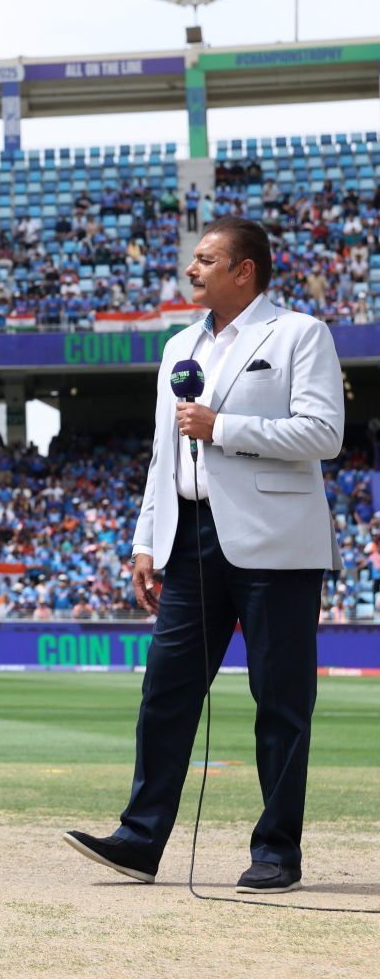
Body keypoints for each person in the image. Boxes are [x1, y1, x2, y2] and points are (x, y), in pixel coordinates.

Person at [64, 217, 344, 896]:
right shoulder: (178, 347)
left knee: (280, 701)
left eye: (206, 259)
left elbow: (324, 432)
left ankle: (277, 850)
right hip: (189, 538)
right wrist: (143, 540)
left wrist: (225, 429)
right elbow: (166, 453)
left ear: (244, 270)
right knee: (165, 690)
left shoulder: (299, 333)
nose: (193, 269)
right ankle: (139, 838)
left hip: (277, 544)